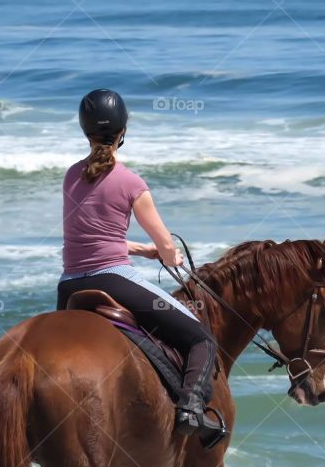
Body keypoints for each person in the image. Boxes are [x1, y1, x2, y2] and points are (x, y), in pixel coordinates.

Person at [56, 88, 226, 446]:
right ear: (123, 132)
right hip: (114, 279)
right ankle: (191, 411)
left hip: (69, 285)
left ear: (85, 132)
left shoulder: (71, 175)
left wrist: (139, 249)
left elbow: (88, 235)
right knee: (201, 337)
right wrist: (167, 255)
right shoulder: (132, 182)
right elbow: (167, 243)